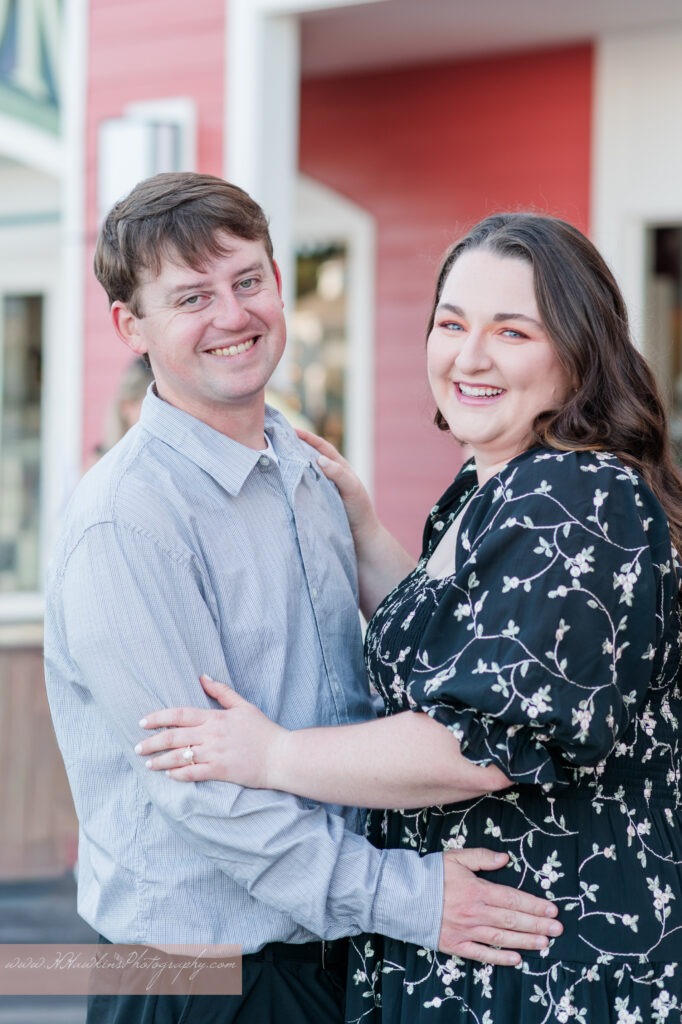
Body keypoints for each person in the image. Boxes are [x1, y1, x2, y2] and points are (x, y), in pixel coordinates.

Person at [135, 212, 682, 1022]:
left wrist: (273, 754)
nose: (470, 356)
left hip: (550, 959)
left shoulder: (577, 496)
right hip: (476, 947)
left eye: (513, 332)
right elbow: (462, 652)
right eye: (452, 324)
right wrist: (362, 529)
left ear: (579, 350)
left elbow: (480, 743)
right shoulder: (491, 488)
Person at [43, 179, 561, 1024]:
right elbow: (205, 796)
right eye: (191, 298)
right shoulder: (127, 523)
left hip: (335, 950)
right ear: (131, 327)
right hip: (203, 981)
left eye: (248, 280)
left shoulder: (305, 470)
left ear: (279, 284)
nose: (233, 314)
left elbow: (377, 684)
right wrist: (412, 897)